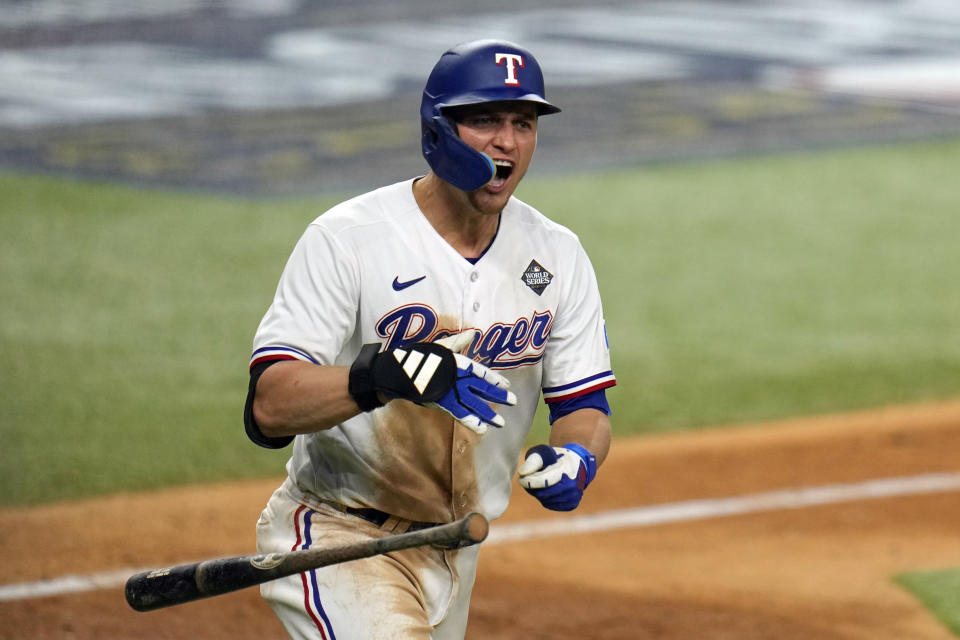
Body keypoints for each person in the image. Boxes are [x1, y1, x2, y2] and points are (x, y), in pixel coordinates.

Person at [244, 39, 616, 640]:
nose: (507, 141)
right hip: (342, 537)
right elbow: (270, 406)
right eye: (485, 120)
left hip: (454, 544)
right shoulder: (349, 239)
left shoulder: (558, 254)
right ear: (438, 130)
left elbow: (584, 406)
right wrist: (381, 375)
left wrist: (578, 455)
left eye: (523, 123)